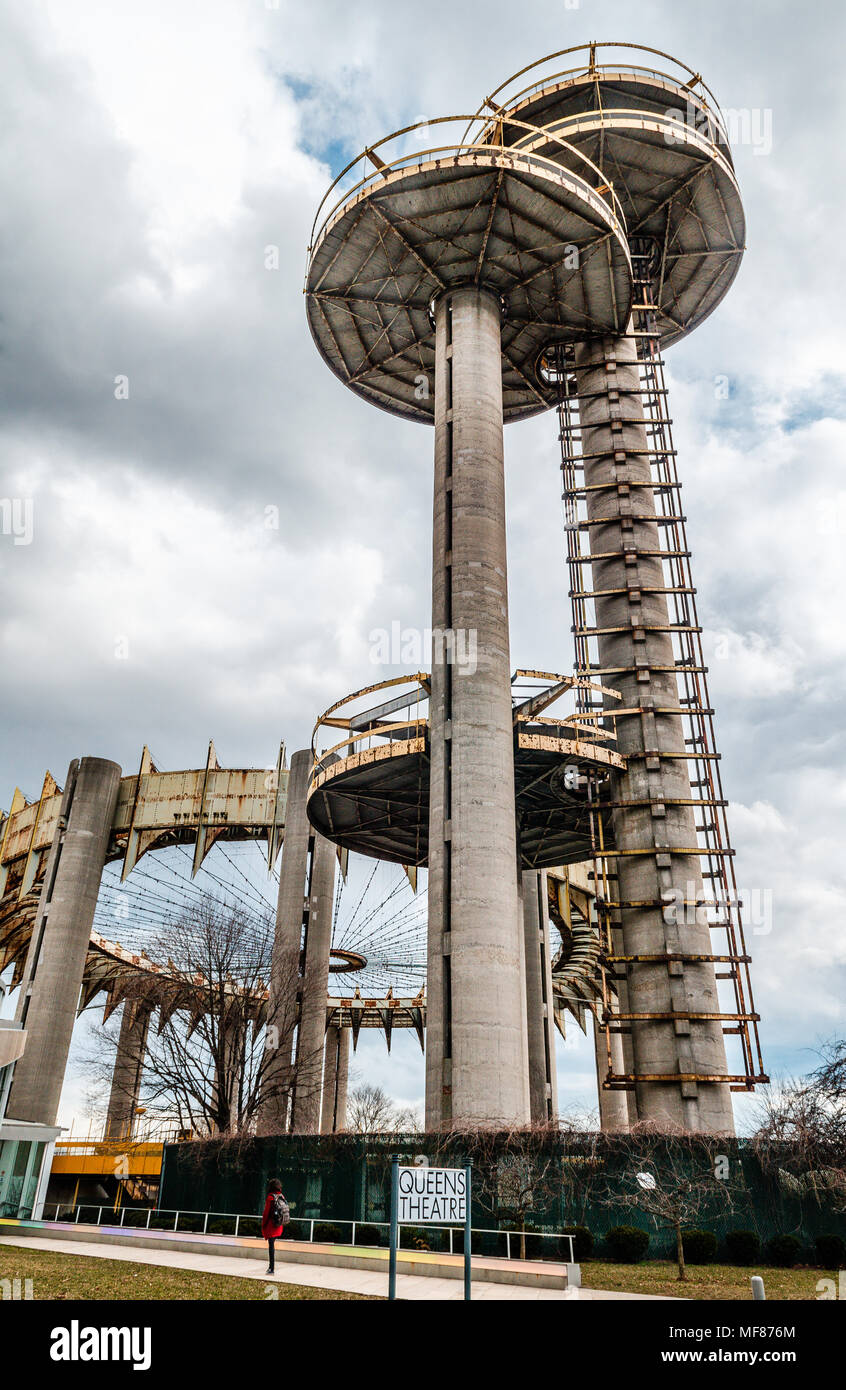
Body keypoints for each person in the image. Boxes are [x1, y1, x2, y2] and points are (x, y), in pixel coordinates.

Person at [262, 1177, 286, 1275]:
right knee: (272, 1245)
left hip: (271, 1225)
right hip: (279, 1224)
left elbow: (266, 1213)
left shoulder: (270, 1197)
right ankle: (271, 1267)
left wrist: (263, 1225)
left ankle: (271, 1268)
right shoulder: (282, 1196)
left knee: (271, 1247)